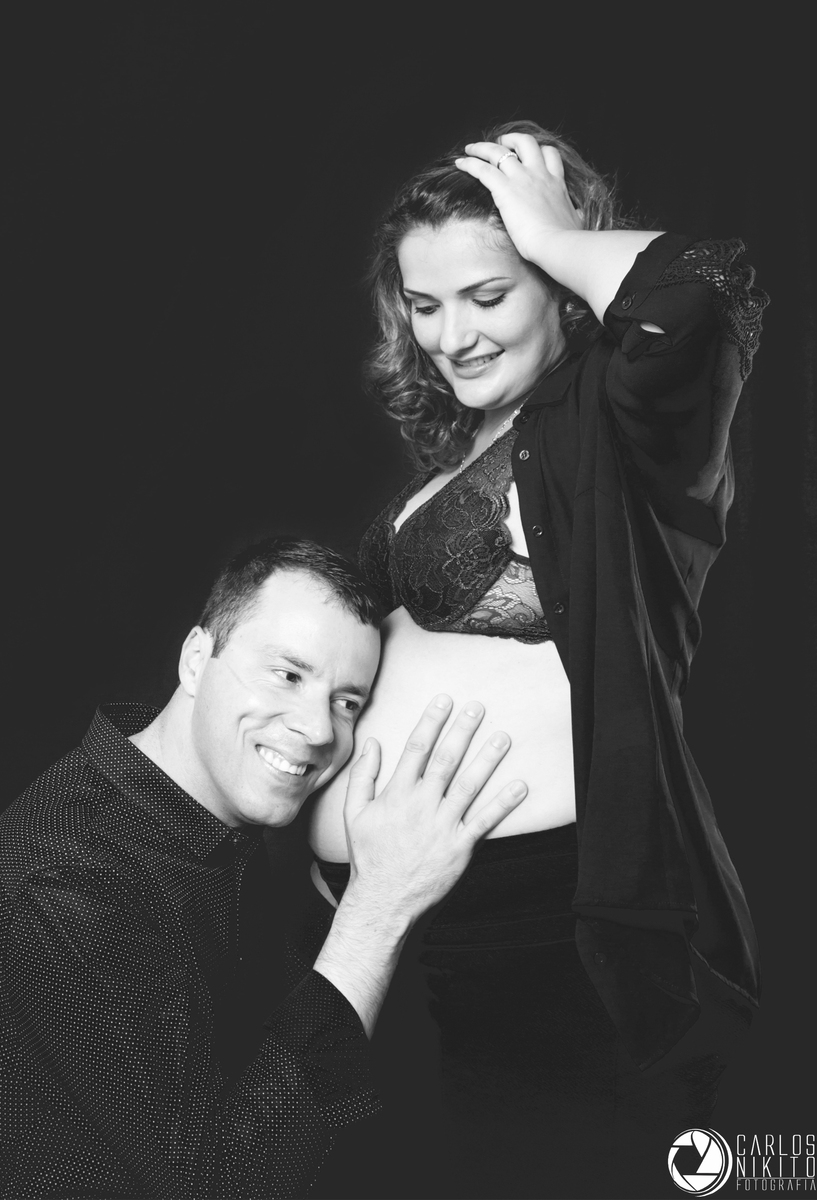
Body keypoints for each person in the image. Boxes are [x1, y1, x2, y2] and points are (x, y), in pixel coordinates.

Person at [307, 121, 769, 1198]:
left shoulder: (612, 424)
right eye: (424, 305)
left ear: (558, 288)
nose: (450, 335)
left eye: (486, 294)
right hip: (427, 927)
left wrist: (554, 233)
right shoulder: (470, 444)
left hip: (543, 920)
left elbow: (708, 292)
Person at [0, 537, 530, 1200]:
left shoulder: (201, 820)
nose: (320, 729)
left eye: (346, 702)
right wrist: (377, 910)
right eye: (287, 675)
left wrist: (344, 889)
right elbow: (222, 1184)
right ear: (196, 659)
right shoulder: (69, 874)